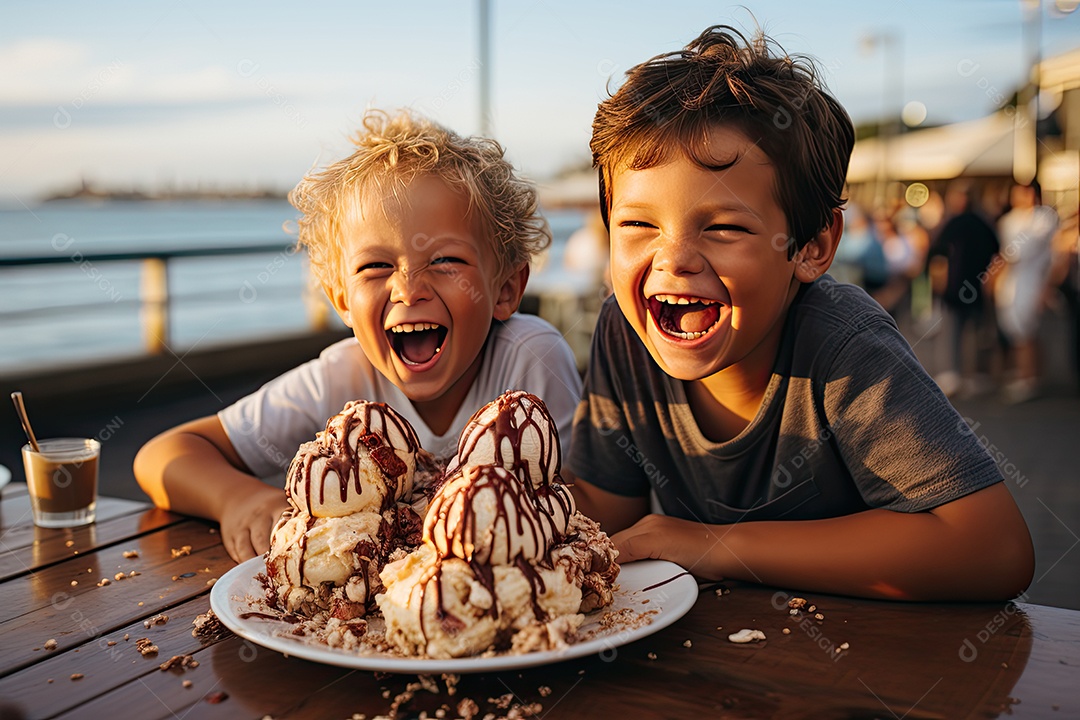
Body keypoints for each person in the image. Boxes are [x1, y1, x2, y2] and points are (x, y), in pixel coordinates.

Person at [565, 25, 1033, 602]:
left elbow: (993, 549)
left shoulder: (843, 345)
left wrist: (714, 545)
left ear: (812, 246)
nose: (674, 259)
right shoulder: (624, 331)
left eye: (725, 227)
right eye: (638, 224)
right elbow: (607, 511)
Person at [134, 110, 582, 562]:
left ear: (506, 289)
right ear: (341, 300)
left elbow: (580, 501)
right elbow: (164, 455)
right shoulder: (339, 378)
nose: (408, 289)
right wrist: (238, 499)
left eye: (445, 260)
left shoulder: (530, 361)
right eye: (376, 266)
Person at [925, 181, 1001, 398]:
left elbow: (936, 255)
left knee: (959, 331)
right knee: (971, 332)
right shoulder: (983, 223)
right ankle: (970, 375)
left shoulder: (953, 223)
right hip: (972, 285)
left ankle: (956, 374)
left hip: (959, 285)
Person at [995, 181, 1059, 403]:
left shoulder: (1043, 218)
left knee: (1026, 330)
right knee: (1014, 329)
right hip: (1012, 281)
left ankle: (1030, 378)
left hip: (1031, 279)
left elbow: (1021, 251)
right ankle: (1025, 374)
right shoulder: (1008, 220)